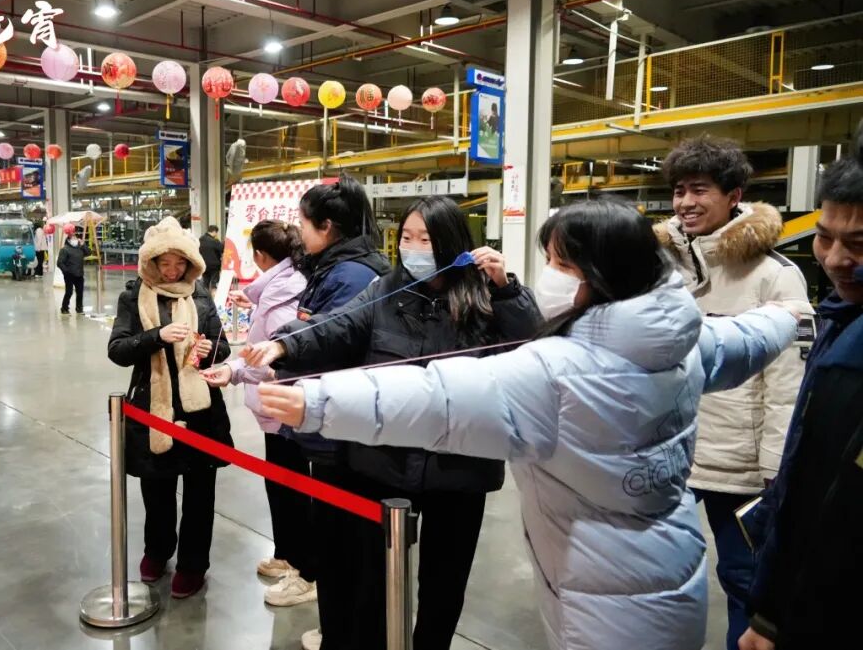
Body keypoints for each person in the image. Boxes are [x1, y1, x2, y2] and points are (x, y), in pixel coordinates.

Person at [257, 199, 801, 650]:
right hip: (674, 565)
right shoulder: (683, 339)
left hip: (601, 593)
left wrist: (315, 400)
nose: (550, 273)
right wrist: (788, 315)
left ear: (598, 273)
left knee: (444, 583)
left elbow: (437, 397)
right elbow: (747, 338)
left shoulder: (559, 367)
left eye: (559, 262)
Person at [243, 196, 541, 650]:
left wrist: (506, 290)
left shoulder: (484, 296)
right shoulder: (386, 290)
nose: (413, 248)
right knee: (374, 580)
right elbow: (336, 325)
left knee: (443, 584)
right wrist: (284, 345)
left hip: (460, 466)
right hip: (384, 462)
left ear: (452, 243)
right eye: (407, 237)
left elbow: (533, 347)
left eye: (426, 239)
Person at [654, 136, 813, 650]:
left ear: (734, 195)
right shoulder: (661, 268)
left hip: (737, 464)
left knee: (744, 579)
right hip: (670, 451)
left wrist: (775, 468)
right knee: (655, 573)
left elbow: (787, 385)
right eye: (679, 190)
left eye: (700, 190)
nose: (685, 202)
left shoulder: (774, 276)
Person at [739, 126, 863, 650]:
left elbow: (833, 510)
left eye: (858, 244)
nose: (833, 259)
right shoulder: (841, 316)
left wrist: (774, 614)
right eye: (825, 237)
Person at [256, 174, 391, 650]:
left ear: (327, 226)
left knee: (345, 542)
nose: (299, 231)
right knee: (339, 538)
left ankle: (346, 634)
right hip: (333, 420)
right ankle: (339, 629)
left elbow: (331, 341)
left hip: (339, 424)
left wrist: (283, 350)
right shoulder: (337, 267)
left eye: (303, 222)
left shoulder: (349, 275)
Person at [107, 216, 231, 599]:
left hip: (200, 411)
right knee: (156, 489)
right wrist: (157, 336)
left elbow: (222, 346)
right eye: (165, 263)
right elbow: (118, 350)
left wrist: (209, 350)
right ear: (152, 262)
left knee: (200, 494)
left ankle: (193, 564)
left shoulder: (200, 295)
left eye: (180, 263)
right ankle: (157, 550)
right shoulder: (134, 297)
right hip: (153, 409)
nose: (173, 271)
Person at [200, 220, 309, 581]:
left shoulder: (280, 300)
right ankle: (288, 552)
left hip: (283, 408)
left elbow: (275, 358)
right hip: (281, 408)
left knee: (287, 485)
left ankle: (296, 560)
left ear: (260, 256)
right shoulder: (286, 284)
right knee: (283, 483)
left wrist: (233, 371)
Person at [56, 232, 87, 315]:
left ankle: (79, 308)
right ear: (69, 240)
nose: (75, 240)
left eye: (76, 238)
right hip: (69, 274)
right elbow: (60, 263)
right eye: (73, 238)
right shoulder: (64, 249)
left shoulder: (80, 248)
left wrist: (83, 245)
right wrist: (66, 272)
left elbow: (88, 252)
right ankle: (64, 308)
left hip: (79, 274)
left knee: (80, 292)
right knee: (69, 292)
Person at [199, 224, 223, 291]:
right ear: (214, 232)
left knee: (205, 283)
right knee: (214, 284)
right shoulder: (215, 241)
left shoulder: (200, 239)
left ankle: (205, 295)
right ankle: (213, 296)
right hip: (214, 266)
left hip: (204, 265)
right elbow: (222, 249)